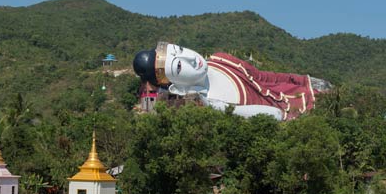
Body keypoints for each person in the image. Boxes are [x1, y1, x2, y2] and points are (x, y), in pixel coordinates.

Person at [133, 42, 329, 120]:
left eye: (180, 50)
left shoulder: (221, 59)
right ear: (178, 88)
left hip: (303, 90)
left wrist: (304, 81)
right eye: (178, 66)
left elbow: (265, 77)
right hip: (302, 115)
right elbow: (276, 115)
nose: (191, 58)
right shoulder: (216, 104)